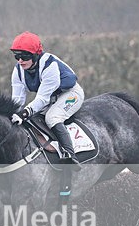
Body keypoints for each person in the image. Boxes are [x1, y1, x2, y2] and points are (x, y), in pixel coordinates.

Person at [9, 31, 85, 166]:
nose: (20, 61)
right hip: (51, 97)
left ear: (36, 55)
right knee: (31, 119)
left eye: (25, 56)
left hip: (71, 94)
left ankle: (70, 154)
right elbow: (17, 100)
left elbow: (42, 99)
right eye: (17, 56)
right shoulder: (18, 71)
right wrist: (12, 114)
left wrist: (24, 112)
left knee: (52, 117)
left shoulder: (49, 65)